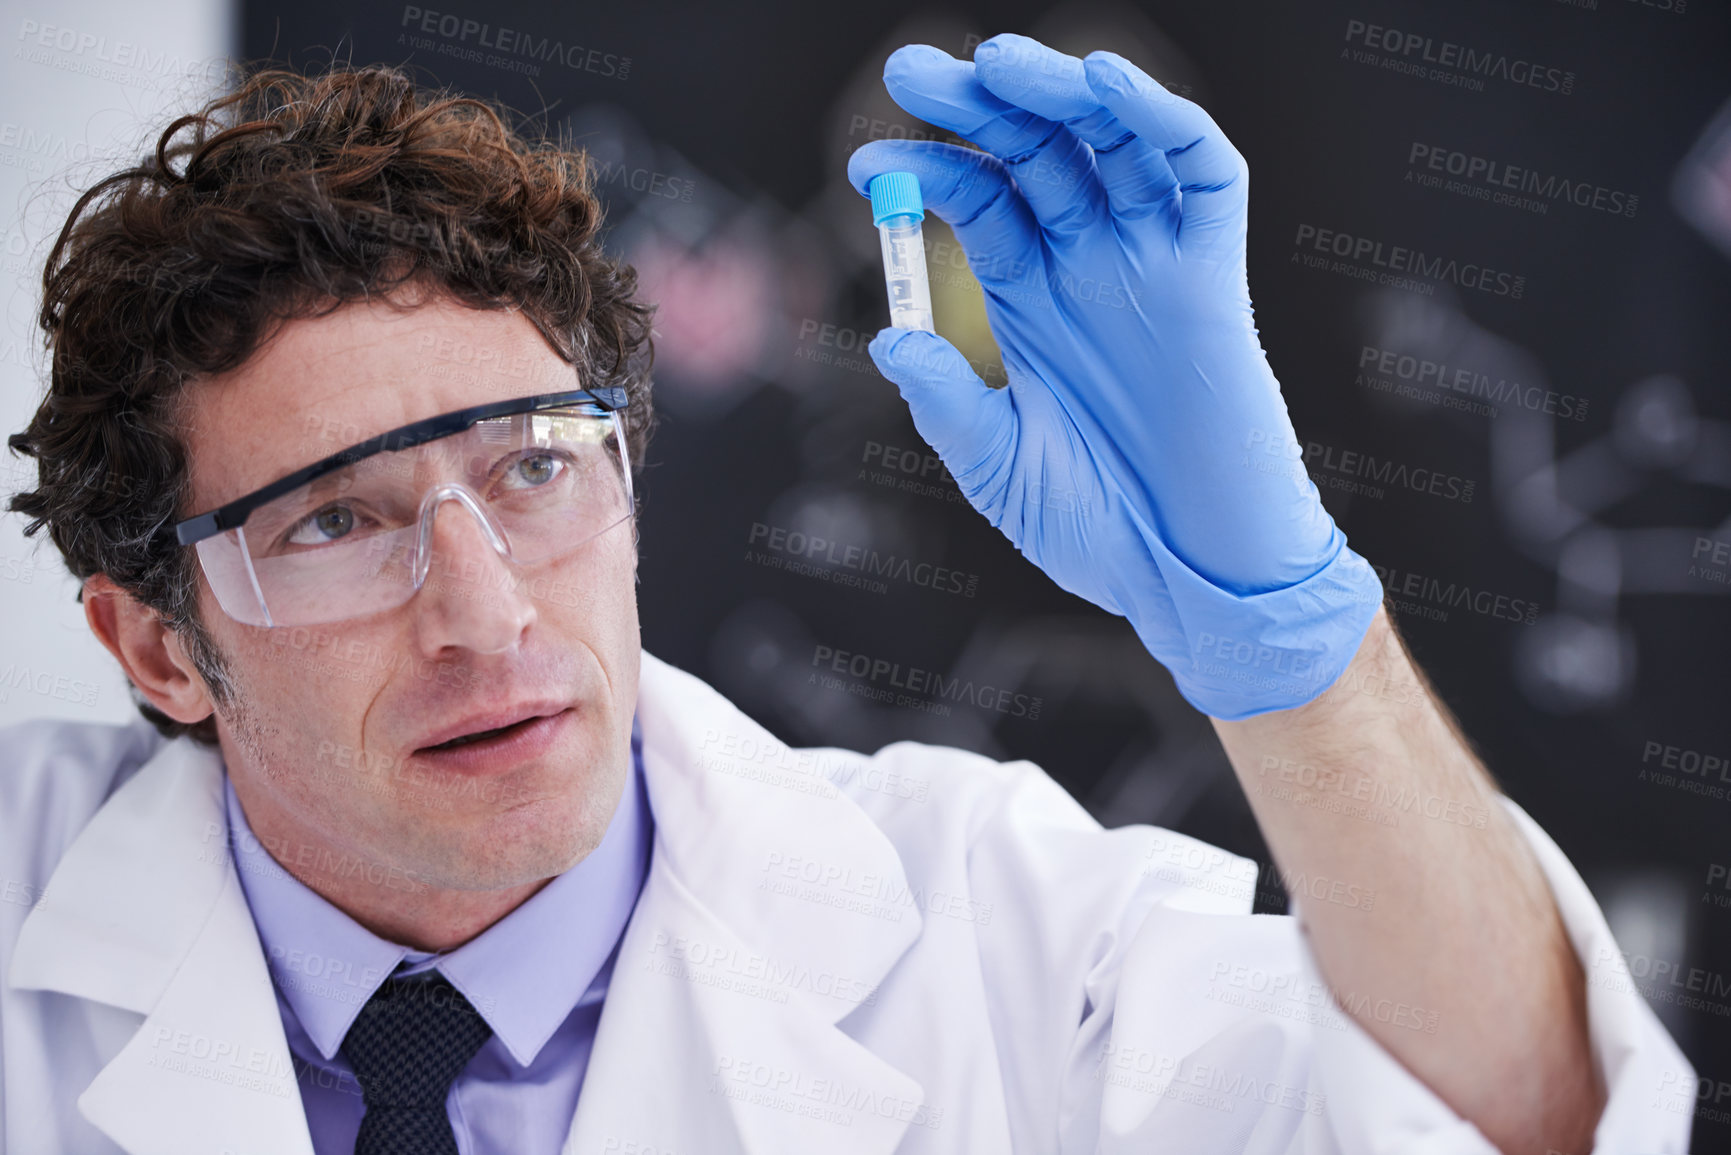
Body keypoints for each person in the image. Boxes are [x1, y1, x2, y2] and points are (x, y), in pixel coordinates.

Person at [0, 33, 1693, 1155]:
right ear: (157, 644)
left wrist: (1283, 628)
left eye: (533, 469)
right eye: (332, 526)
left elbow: (1527, 1125)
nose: (487, 614)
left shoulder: (995, 927)